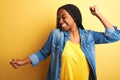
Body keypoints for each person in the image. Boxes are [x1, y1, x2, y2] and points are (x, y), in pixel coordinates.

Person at [9, 4, 120, 80]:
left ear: (75, 17)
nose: (60, 21)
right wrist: (22, 62)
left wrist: (98, 14)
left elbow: (114, 36)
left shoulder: (89, 36)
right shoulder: (56, 35)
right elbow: (43, 53)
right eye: (58, 18)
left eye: (63, 17)